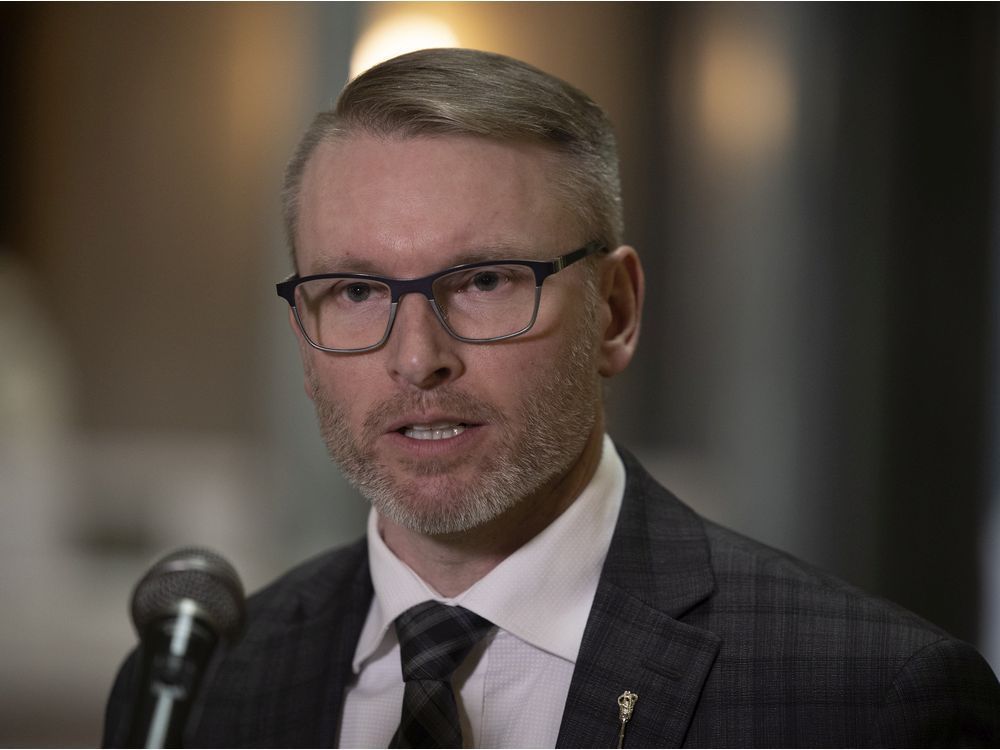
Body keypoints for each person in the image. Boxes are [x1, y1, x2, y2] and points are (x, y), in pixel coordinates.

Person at [104, 47, 1000, 748]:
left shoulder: (868, 700)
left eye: (486, 280)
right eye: (356, 291)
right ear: (304, 337)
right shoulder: (204, 690)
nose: (417, 360)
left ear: (614, 312)